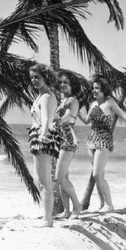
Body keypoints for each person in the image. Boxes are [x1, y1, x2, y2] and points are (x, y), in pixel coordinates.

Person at [78, 77, 126, 212]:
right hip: (91, 139)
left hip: (104, 139)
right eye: (93, 88)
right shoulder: (93, 104)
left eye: (97, 88)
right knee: (100, 174)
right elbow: (86, 121)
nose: (94, 90)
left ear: (103, 89)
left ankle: (109, 205)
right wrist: (74, 111)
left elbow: (124, 115)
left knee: (96, 174)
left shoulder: (110, 102)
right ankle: (102, 204)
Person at [27, 63, 61, 227]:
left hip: (43, 136)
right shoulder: (41, 96)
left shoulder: (47, 96)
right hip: (39, 135)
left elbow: (47, 119)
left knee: (44, 181)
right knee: (38, 180)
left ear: (45, 77)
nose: (34, 80)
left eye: (37, 77)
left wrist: (42, 136)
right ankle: (46, 216)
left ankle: (48, 220)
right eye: (32, 77)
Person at [54, 72, 82, 219]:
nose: (62, 85)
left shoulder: (73, 101)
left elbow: (66, 119)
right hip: (61, 139)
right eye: (61, 82)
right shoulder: (63, 100)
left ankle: (77, 206)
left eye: (66, 83)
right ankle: (66, 211)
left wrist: (51, 120)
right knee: (63, 176)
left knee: (60, 177)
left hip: (68, 139)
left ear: (72, 85)